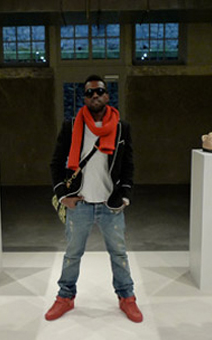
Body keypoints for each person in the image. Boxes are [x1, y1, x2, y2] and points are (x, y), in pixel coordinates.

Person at [46, 75, 142, 323]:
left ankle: (127, 297)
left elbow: (128, 164)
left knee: (119, 254)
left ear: (107, 95)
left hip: (111, 203)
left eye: (99, 91)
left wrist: (125, 196)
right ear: (84, 98)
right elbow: (56, 163)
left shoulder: (121, 127)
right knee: (72, 254)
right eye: (89, 93)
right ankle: (65, 297)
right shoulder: (71, 127)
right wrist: (63, 195)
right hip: (80, 204)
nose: (95, 95)